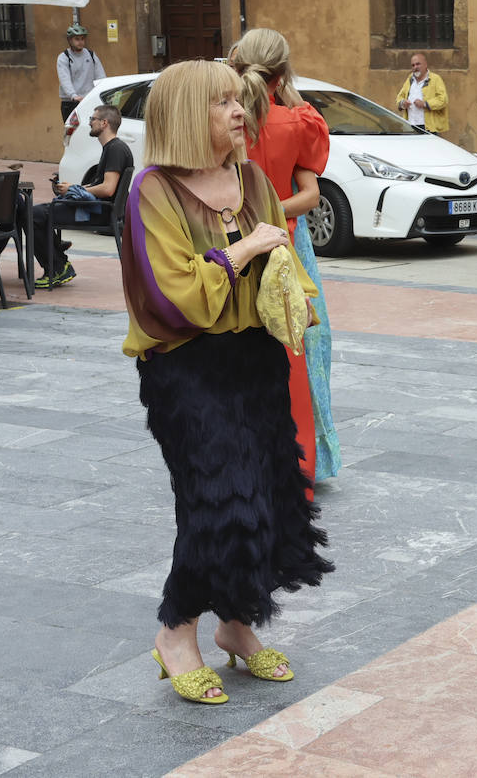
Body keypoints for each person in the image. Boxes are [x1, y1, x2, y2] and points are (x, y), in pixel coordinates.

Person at [118, 59, 332, 705]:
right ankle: (175, 632)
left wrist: (289, 283)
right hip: (187, 365)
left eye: (239, 101)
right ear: (187, 114)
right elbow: (173, 294)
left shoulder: (251, 180)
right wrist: (243, 250)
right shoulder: (152, 190)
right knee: (218, 498)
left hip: (256, 359)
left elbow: (283, 264)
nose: (240, 112)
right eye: (222, 104)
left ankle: (237, 627)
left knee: (268, 491)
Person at [230, 27, 343, 490]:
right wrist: (274, 214)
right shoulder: (300, 121)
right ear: (281, 71)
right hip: (286, 244)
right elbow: (311, 194)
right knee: (301, 344)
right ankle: (303, 457)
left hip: (233, 245)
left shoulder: (223, 123)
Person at [32, 104, 132, 288]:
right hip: (97, 208)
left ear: (104, 123)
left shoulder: (115, 149)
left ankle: (57, 267)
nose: (90, 123)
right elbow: (99, 185)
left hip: (98, 212)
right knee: (38, 211)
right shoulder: (112, 148)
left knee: (33, 215)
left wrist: (75, 188)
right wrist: (71, 189)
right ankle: (57, 253)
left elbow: (108, 189)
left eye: (92, 119)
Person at [57, 24, 105, 123]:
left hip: (88, 100)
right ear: (70, 40)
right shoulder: (64, 57)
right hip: (71, 102)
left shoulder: (91, 55)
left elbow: (101, 75)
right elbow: (64, 79)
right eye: (77, 39)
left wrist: (103, 90)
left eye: (82, 39)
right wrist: (73, 95)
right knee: (73, 132)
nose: (80, 42)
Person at [394, 52, 448, 133]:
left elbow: (443, 100)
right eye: (413, 65)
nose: (415, 67)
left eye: (418, 64)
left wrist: (425, 104)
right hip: (410, 126)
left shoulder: (435, 79)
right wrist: (403, 104)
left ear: (425, 65)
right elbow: (399, 98)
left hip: (428, 127)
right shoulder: (410, 79)